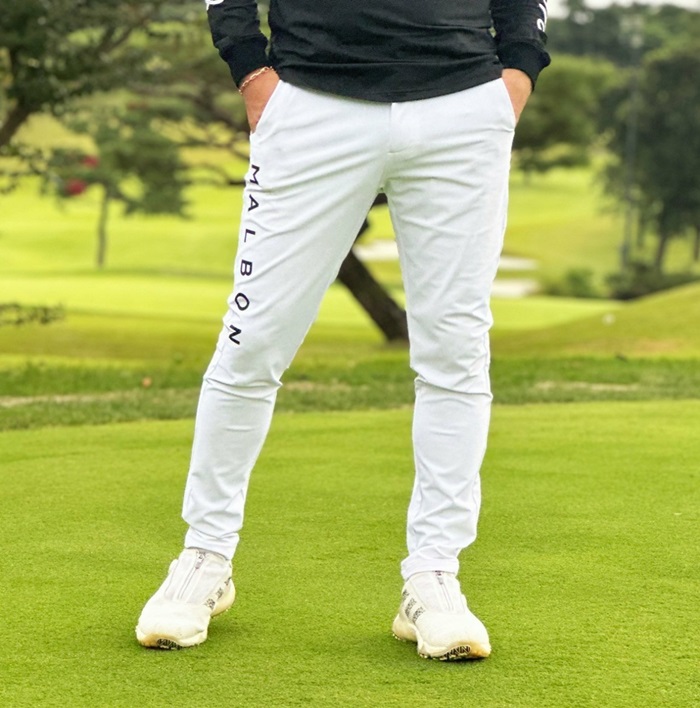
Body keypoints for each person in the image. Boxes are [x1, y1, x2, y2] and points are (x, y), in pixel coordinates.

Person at [136, 0, 550, 660]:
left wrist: (519, 69)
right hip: (310, 102)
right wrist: (249, 68)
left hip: (464, 105)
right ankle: (204, 558)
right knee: (252, 342)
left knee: (455, 353)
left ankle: (433, 577)